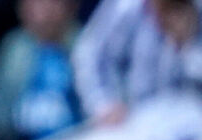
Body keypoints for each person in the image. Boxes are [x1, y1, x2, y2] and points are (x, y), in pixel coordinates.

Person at [0, 0, 82, 140]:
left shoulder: (84, 42)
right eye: (34, 4)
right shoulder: (14, 48)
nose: (43, 13)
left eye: (51, 4)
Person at [72, 0, 202, 124]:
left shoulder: (195, 8)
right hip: (139, 117)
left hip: (190, 113)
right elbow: (89, 53)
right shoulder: (127, 8)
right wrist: (102, 103)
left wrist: (185, 45)